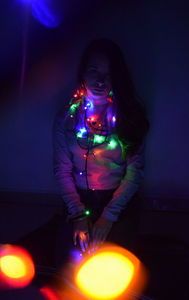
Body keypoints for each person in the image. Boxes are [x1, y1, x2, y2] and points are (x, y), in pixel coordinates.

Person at [53, 38, 149, 261]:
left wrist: (108, 217)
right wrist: (77, 214)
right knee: (68, 264)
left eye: (109, 72)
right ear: (82, 73)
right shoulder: (67, 118)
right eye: (93, 70)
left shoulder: (129, 117)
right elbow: (62, 169)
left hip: (118, 203)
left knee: (112, 267)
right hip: (78, 201)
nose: (100, 80)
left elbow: (134, 173)